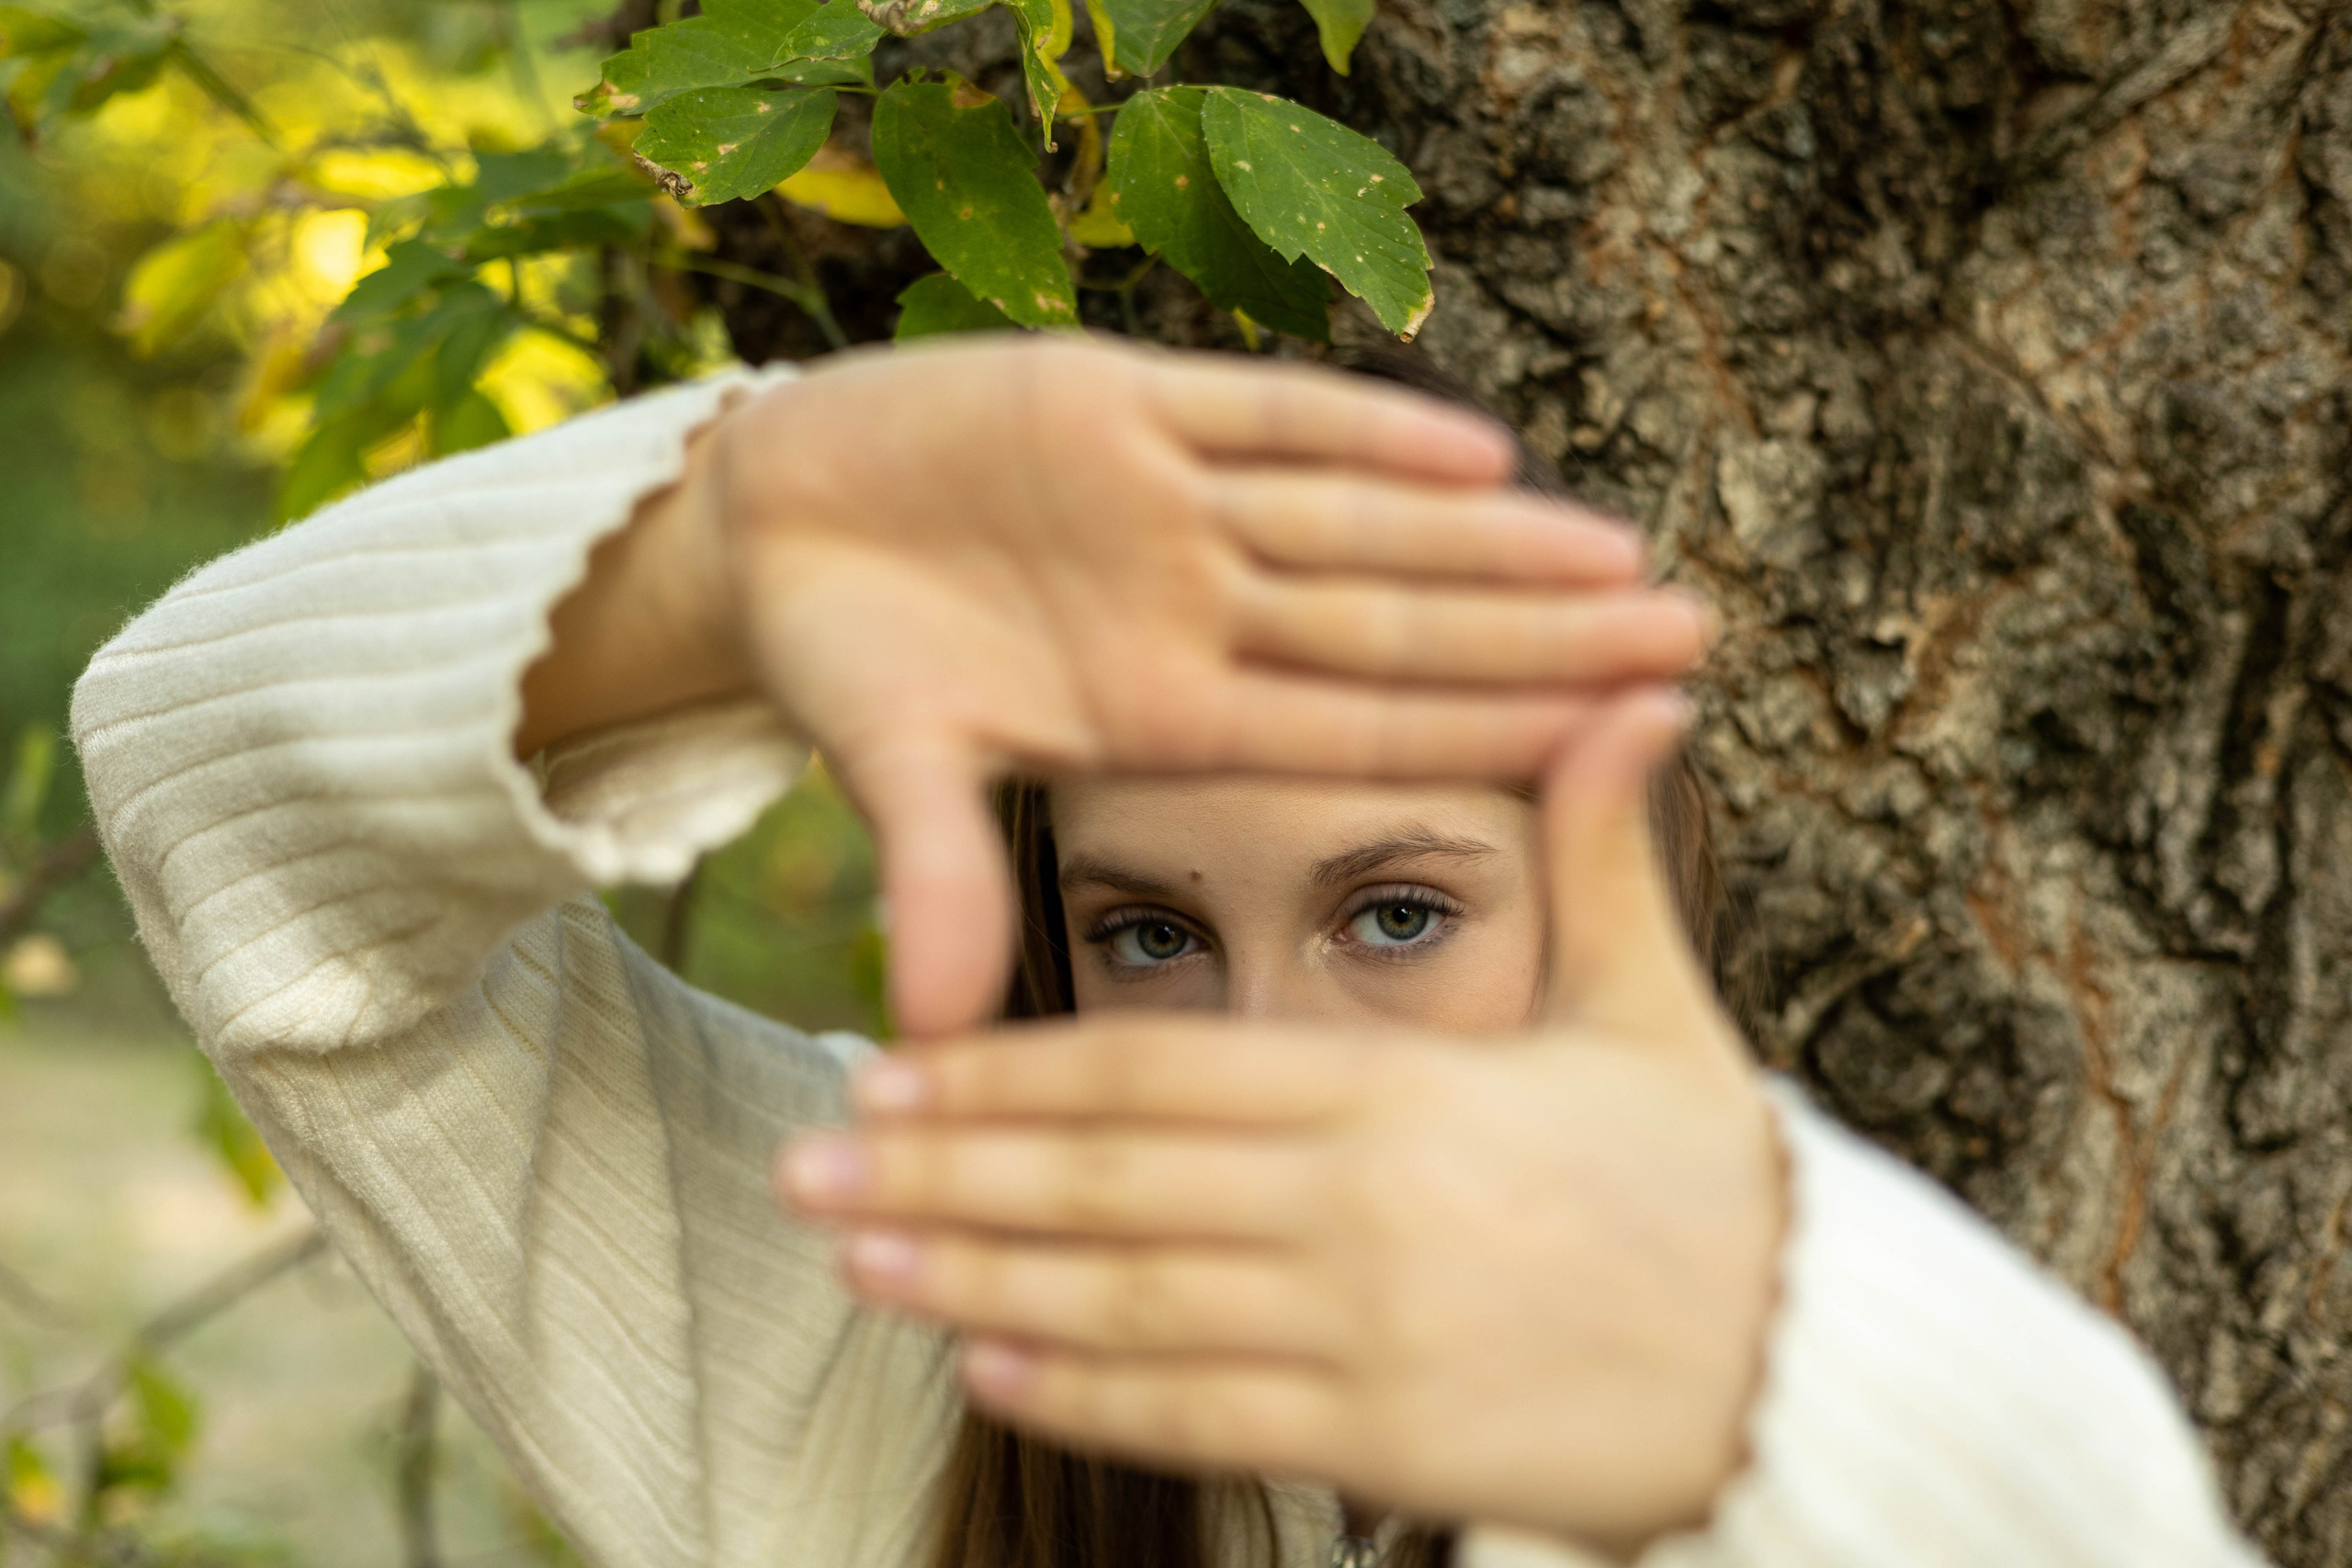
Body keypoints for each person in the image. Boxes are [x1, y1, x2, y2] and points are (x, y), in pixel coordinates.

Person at [69, 335, 2256, 1568]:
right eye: (1145, 929)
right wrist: (715, 554)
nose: (1258, 1051)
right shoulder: (897, 1339)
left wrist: (1775, 1386)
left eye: (1394, 911)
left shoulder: (1846, 1398)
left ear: (1636, 877)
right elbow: (215, 796)